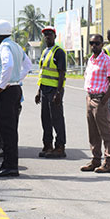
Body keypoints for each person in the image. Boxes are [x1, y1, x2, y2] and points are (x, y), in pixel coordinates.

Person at [0, 19, 32, 178]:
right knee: (10, 131)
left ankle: (11, 167)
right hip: (14, 89)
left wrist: (2, 84)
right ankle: (7, 164)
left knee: (7, 131)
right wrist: (16, 80)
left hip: (6, 92)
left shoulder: (4, 47)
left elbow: (8, 64)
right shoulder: (16, 46)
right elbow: (28, 65)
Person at [81, 33, 110, 173]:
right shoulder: (91, 60)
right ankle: (95, 159)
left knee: (106, 131)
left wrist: (104, 101)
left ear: (102, 44)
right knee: (93, 131)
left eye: (96, 43)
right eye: (91, 43)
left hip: (100, 98)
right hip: (90, 97)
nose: (93, 46)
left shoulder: (107, 61)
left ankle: (109, 162)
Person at [35, 26, 67, 158]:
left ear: (54, 36)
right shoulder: (45, 52)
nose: (47, 36)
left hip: (54, 90)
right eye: (45, 34)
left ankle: (60, 146)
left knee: (57, 119)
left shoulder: (59, 52)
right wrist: (38, 90)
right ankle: (47, 145)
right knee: (46, 119)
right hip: (44, 89)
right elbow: (42, 73)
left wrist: (58, 93)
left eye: (50, 34)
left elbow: (61, 73)